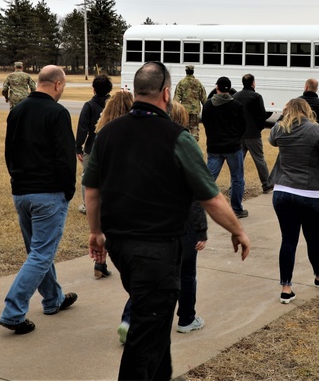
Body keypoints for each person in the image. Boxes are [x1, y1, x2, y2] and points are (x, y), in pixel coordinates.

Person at [83, 61, 251, 381]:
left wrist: (95, 232)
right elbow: (211, 197)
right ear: (166, 92)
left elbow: (92, 190)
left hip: (121, 247)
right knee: (145, 337)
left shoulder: (107, 134)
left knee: (155, 324)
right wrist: (238, 230)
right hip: (156, 252)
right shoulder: (178, 138)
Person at [118, 101, 210, 345]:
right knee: (187, 273)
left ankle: (129, 319)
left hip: (151, 223)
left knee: (148, 276)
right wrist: (201, 229)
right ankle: (186, 318)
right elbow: (197, 194)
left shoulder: (145, 142)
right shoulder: (186, 145)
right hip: (182, 224)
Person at [0, 65, 78, 334]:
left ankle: (53, 298)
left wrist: (16, 181)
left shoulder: (17, 110)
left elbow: (9, 152)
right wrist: (68, 190)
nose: (63, 89)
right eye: (63, 85)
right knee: (41, 254)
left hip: (21, 191)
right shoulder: (57, 112)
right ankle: (13, 310)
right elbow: (65, 156)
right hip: (48, 193)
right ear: (56, 84)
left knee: (38, 251)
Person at [268, 98, 319, 304]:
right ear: (307, 110)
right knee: (313, 238)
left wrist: (283, 115)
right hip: (312, 193)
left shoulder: (279, 129)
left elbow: (272, 141)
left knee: (288, 240)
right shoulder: (318, 131)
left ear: (288, 110)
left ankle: (286, 287)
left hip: (283, 191)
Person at [91, 89, 135, 281]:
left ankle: (100, 261)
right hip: (123, 186)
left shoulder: (103, 130)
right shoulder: (131, 129)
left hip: (102, 184)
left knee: (102, 225)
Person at [201, 76, 249, 218]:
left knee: (208, 179)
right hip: (233, 147)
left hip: (215, 147)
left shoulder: (208, 105)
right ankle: (237, 209)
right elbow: (242, 126)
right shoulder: (237, 105)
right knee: (237, 179)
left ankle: (199, 207)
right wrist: (236, 137)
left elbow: (206, 123)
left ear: (217, 87)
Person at [76, 74, 113, 216]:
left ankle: (87, 205)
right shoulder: (113, 105)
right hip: (110, 145)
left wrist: (78, 146)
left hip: (92, 145)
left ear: (94, 89)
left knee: (87, 175)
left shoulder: (89, 106)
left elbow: (82, 128)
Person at [233, 73, 273, 193]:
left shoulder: (235, 96)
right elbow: (261, 115)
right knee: (259, 159)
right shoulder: (256, 96)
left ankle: (234, 184)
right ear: (252, 83)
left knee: (238, 160)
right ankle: (266, 183)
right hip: (253, 134)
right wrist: (259, 128)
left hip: (239, 134)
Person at [173, 64, 207, 140]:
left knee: (184, 129)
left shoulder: (181, 83)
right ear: (193, 72)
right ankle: (193, 145)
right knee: (194, 128)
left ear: (186, 72)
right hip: (195, 111)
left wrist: (175, 112)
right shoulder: (198, 83)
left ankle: (185, 145)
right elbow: (204, 98)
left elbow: (176, 99)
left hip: (184, 111)